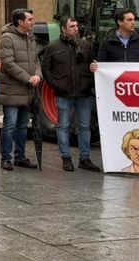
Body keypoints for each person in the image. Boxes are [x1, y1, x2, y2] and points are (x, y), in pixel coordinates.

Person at [40, 16, 100, 173]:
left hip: (84, 93)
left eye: (77, 26)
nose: (76, 28)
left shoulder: (86, 46)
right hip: (64, 93)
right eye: (72, 26)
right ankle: (65, 157)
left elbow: (93, 66)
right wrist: (56, 84)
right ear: (63, 29)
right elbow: (46, 69)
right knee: (63, 126)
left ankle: (85, 158)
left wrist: (90, 81)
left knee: (85, 126)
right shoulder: (53, 47)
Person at [0, 8, 41, 172]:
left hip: (27, 91)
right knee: (10, 125)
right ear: (20, 22)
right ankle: (6, 158)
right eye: (30, 20)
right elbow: (8, 64)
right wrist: (27, 78)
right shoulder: (7, 39)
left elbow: (36, 60)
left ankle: (20, 157)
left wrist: (37, 75)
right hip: (12, 91)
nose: (33, 22)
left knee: (23, 126)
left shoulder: (31, 38)